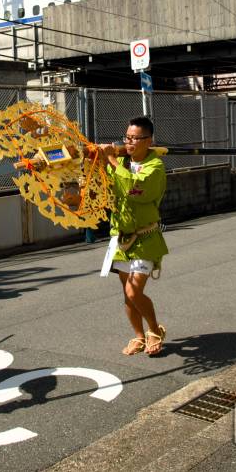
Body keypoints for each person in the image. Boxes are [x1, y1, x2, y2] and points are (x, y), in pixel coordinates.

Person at [97, 116, 169, 357]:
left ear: (149, 141)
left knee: (133, 291)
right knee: (127, 295)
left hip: (146, 237)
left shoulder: (155, 167)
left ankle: (154, 330)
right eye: (127, 137)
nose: (129, 143)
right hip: (120, 236)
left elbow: (135, 190)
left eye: (135, 138)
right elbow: (104, 183)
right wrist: (99, 159)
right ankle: (139, 336)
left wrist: (111, 159)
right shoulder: (119, 163)